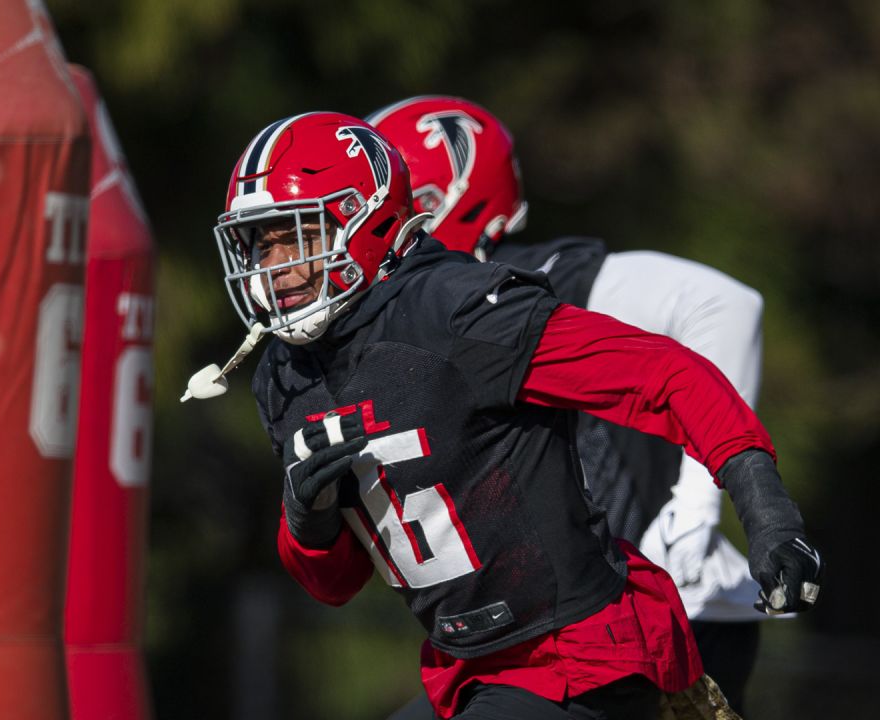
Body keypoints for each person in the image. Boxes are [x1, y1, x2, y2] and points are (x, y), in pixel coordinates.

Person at [186, 111, 822, 719]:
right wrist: (307, 525)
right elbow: (337, 583)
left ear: (364, 220)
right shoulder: (284, 376)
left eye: (294, 237)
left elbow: (665, 374)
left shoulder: (458, 312)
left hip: (583, 657)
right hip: (467, 673)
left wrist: (765, 511)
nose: (275, 268)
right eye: (258, 245)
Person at [368, 96, 779, 715]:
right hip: (558, 638)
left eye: (399, 209)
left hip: (671, 609)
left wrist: (695, 509)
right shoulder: (408, 331)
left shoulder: (535, 282)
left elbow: (728, 305)